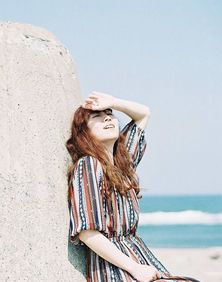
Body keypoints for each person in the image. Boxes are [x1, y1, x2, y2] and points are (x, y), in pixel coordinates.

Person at [66, 92, 199, 282]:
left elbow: (143, 114)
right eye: (97, 116)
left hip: (139, 257)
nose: (107, 119)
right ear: (84, 132)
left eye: (110, 114)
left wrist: (113, 101)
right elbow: (88, 233)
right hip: (115, 268)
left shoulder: (122, 164)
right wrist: (135, 268)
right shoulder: (89, 165)